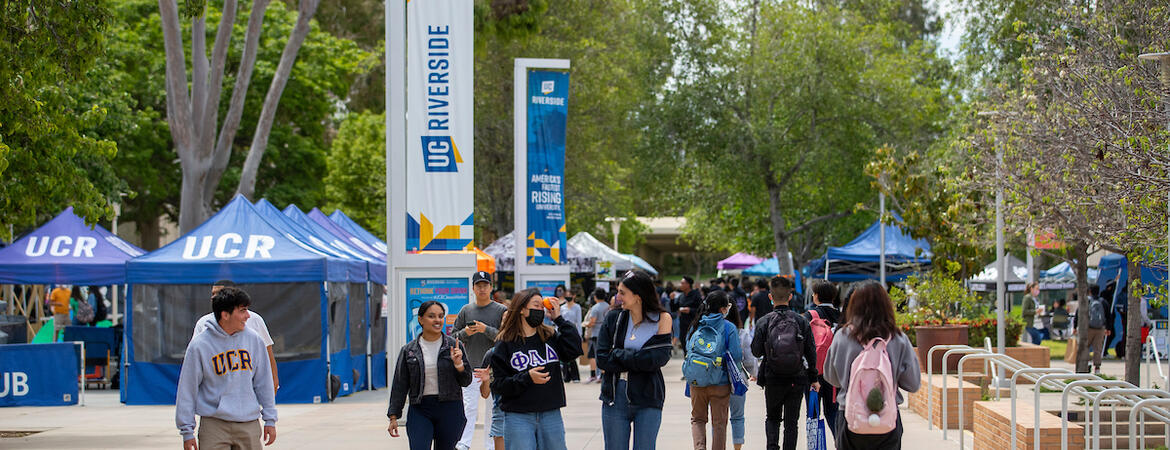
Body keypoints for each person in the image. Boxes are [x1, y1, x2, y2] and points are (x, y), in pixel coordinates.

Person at [176, 287, 277, 450]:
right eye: (242, 310)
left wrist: (270, 419)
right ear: (225, 314)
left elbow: (263, 382)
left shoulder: (254, 340)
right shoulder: (199, 345)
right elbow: (187, 389)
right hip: (214, 425)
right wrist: (187, 431)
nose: (248, 315)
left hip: (248, 423)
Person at [823, 281, 921, 449]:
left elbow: (832, 378)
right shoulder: (898, 338)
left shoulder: (842, 336)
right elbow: (912, 384)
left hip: (850, 416)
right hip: (887, 419)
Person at [488, 288, 583, 450]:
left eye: (542, 306)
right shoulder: (505, 344)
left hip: (550, 413)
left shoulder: (550, 337)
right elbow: (498, 385)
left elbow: (574, 349)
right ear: (522, 310)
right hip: (519, 416)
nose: (541, 309)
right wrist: (527, 378)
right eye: (536, 305)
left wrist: (559, 319)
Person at [595, 271, 673, 450]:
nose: (618, 297)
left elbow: (658, 359)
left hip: (648, 396)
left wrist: (618, 354)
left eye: (622, 292)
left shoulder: (662, 319)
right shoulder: (613, 318)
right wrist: (638, 359)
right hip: (614, 396)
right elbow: (602, 358)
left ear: (638, 296)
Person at [387, 301, 473, 450]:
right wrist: (393, 415)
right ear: (420, 319)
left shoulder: (454, 346)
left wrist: (459, 365)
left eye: (440, 316)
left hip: (450, 408)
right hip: (420, 409)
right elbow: (400, 384)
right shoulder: (409, 350)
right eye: (431, 316)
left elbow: (466, 381)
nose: (437, 320)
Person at [752, 276, 818, 450]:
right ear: (790, 296)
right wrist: (813, 377)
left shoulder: (764, 322)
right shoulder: (801, 321)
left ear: (770, 297)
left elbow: (756, 351)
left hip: (772, 376)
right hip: (797, 377)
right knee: (791, 422)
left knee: (772, 418)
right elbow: (811, 351)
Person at [452, 271, 508, 450]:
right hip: (471, 368)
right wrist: (465, 334)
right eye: (479, 285)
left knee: (493, 409)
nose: (482, 289)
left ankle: (490, 445)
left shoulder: (501, 311)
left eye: (485, 285)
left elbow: (507, 338)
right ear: (473, 288)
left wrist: (486, 330)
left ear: (491, 288)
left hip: (495, 369)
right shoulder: (466, 310)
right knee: (468, 408)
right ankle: (464, 443)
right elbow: (453, 338)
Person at [193, 280, 278, 393]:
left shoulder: (254, 319)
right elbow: (195, 359)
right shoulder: (203, 323)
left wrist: (274, 381)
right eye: (212, 293)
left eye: (217, 293)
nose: (213, 297)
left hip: (248, 388)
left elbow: (267, 352)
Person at [684, 290, 742, 450]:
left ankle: (699, 447)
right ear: (723, 309)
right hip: (720, 382)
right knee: (719, 424)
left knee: (698, 420)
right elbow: (737, 355)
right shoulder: (729, 327)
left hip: (697, 381)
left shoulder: (696, 324)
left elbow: (688, 349)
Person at [804, 280, 842, 436]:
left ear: (816, 296)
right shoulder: (842, 317)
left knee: (812, 413)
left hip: (814, 372)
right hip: (835, 374)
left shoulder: (809, 316)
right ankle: (840, 444)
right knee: (833, 412)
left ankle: (814, 445)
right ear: (833, 297)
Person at [726, 303, 752, 450]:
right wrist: (755, 374)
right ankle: (737, 447)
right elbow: (749, 359)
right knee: (737, 417)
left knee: (718, 419)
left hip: (716, 380)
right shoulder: (741, 333)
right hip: (737, 381)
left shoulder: (710, 331)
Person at [1074, 285, 1112, 374]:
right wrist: (1108, 328)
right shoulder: (1103, 301)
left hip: (1088, 328)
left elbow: (1078, 313)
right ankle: (1097, 368)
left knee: (1085, 347)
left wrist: (1075, 326)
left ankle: (1085, 365)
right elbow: (1109, 316)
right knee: (1097, 349)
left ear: (1090, 291)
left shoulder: (1086, 301)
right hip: (1100, 329)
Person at [582, 288, 612, 383]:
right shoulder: (609, 307)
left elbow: (592, 322)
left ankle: (594, 375)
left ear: (595, 297)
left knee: (593, 355)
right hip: (606, 333)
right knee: (603, 354)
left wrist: (585, 324)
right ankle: (602, 375)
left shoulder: (595, 308)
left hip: (596, 334)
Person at [560, 289, 584, 383]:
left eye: (570, 295)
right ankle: (566, 376)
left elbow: (579, 321)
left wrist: (579, 335)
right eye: (566, 295)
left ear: (574, 296)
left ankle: (575, 376)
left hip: (573, 332)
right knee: (565, 354)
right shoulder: (562, 308)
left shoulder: (577, 307)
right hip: (563, 333)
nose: (568, 296)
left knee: (573, 355)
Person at [676, 277, 703, 354]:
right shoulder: (681, 296)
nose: (680, 285)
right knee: (684, 342)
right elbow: (674, 307)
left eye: (682, 283)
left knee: (693, 344)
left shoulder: (696, 295)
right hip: (683, 324)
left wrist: (690, 310)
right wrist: (671, 300)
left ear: (688, 285)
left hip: (693, 324)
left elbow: (701, 309)